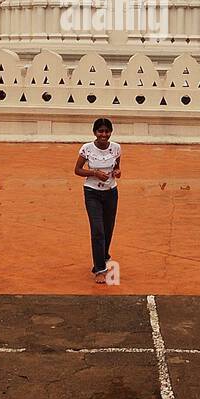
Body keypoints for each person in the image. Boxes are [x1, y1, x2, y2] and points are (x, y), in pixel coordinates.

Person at [75, 117, 121, 283]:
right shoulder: (87, 149)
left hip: (111, 192)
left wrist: (117, 172)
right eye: (100, 131)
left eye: (107, 131)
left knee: (108, 228)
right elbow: (77, 170)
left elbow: (117, 167)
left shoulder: (116, 148)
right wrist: (94, 173)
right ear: (95, 132)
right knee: (97, 229)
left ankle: (103, 255)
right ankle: (100, 269)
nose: (104, 134)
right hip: (92, 192)